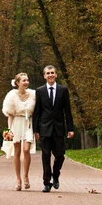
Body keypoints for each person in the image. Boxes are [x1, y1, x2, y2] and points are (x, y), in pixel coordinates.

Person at [33, 65, 74, 193]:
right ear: (44, 76)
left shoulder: (63, 90)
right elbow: (37, 112)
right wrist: (36, 130)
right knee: (45, 155)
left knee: (60, 155)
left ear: (56, 75)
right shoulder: (39, 91)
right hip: (44, 128)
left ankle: (55, 175)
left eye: (52, 73)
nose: (50, 75)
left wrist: (70, 128)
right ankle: (46, 182)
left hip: (59, 128)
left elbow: (67, 111)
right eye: (48, 73)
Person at [2, 72, 36, 191]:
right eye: (24, 80)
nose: (26, 82)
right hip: (16, 123)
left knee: (26, 149)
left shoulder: (33, 94)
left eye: (27, 80)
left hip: (28, 123)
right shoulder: (11, 95)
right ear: (17, 83)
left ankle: (26, 176)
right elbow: (10, 114)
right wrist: (9, 131)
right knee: (16, 151)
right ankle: (18, 179)